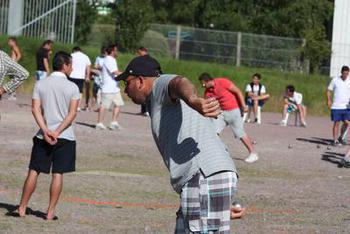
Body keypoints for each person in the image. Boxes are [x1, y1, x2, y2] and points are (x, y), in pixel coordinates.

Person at [116, 56, 245, 233]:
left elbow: (178, 82)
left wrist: (193, 99)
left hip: (203, 176)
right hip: (206, 178)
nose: (125, 90)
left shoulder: (160, 85)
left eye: (126, 83)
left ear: (139, 81)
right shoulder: (156, 101)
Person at [16, 51, 80, 220]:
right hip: (65, 136)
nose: (72, 68)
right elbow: (72, 114)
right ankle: (50, 212)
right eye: (71, 65)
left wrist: (45, 130)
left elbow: (35, 109)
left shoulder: (41, 84)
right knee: (58, 174)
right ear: (65, 66)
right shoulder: (73, 87)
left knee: (33, 171)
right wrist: (57, 132)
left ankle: (22, 207)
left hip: (42, 136)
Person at [199, 73, 259, 163]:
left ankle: (253, 153)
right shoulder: (207, 92)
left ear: (207, 81)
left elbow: (237, 91)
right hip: (221, 114)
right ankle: (217, 152)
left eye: (203, 84)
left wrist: (243, 105)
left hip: (233, 111)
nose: (203, 86)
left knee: (240, 133)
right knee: (213, 132)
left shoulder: (222, 82)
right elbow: (208, 106)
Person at [96, 44, 124, 130]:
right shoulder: (108, 59)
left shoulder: (112, 59)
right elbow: (115, 72)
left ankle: (113, 122)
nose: (117, 52)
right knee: (104, 106)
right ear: (112, 51)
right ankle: (99, 123)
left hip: (114, 88)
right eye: (116, 50)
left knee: (118, 104)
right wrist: (126, 74)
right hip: (108, 88)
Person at [327, 65, 350, 146]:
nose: (345, 75)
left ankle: (341, 137)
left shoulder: (349, 80)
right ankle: (335, 140)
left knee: (347, 123)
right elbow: (329, 90)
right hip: (336, 106)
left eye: (347, 74)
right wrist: (329, 100)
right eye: (344, 73)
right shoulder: (335, 80)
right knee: (336, 123)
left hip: (346, 106)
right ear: (341, 72)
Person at [136, 46, 162, 117]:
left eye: (139, 52)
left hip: (148, 79)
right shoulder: (148, 59)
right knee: (143, 94)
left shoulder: (146, 60)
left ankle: (148, 110)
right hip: (145, 78)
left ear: (143, 51)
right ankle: (143, 111)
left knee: (147, 94)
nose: (139, 54)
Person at [69, 46, 91, 111]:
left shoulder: (71, 55)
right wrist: (87, 76)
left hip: (71, 75)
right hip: (81, 77)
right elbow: (88, 66)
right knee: (79, 92)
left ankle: (70, 105)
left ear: (74, 50)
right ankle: (77, 106)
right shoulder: (85, 56)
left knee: (70, 91)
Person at [90, 46, 107, 112]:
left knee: (102, 94)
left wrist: (101, 67)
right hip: (97, 78)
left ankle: (100, 108)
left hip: (104, 79)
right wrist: (100, 67)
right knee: (94, 93)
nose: (103, 54)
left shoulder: (108, 59)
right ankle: (92, 107)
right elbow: (96, 66)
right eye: (102, 53)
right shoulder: (98, 58)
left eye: (104, 53)